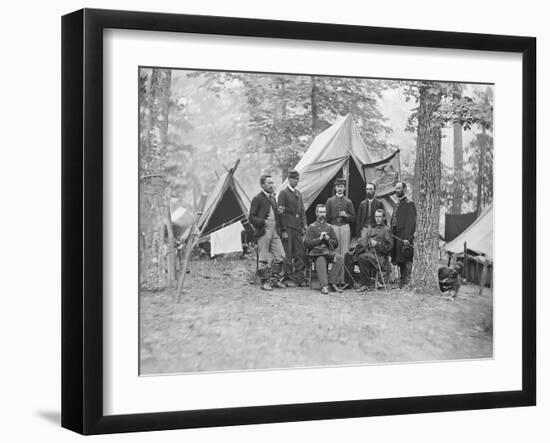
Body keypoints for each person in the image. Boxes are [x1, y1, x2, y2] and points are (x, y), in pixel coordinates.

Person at [248, 174, 286, 291]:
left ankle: (274, 280)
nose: (271, 185)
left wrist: (278, 214)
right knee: (263, 257)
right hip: (264, 231)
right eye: (269, 183)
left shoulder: (273, 198)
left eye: (272, 183)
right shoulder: (257, 199)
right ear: (262, 185)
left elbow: (274, 215)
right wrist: (263, 222)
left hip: (274, 231)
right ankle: (264, 282)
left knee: (281, 255)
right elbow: (251, 217)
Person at [304, 204, 344, 294]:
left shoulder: (329, 227)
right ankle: (324, 286)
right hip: (316, 253)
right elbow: (307, 243)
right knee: (321, 258)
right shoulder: (311, 227)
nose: (322, 214)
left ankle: (332, 283)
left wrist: (328, 239)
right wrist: (320, 239)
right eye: (320, 212)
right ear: (316, 213)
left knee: (339, 258)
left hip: (327, 251)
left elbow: (336, 244)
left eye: (324, 212)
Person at [277, 169, 307, 287]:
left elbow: (302, 210)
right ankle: (287, 277)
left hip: (297, 227)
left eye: (298, 179)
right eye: (294, 179)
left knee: (300, 252)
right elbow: (281, 213)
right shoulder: (283, 193)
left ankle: (299, 277)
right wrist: (283, 230)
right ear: (289, 179)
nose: (296, 181)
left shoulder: (298, 193)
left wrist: (304, 224)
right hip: (288, 226)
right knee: (288, 253)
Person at [325, 178, 355, 288]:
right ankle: (334, 280)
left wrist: (346, 215)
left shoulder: (348, 202)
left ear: (344, 188)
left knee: (344, 253)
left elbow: (353, 218)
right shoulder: (330, 201)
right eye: (338, 186)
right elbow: (326, 218)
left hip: (345, 228)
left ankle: (343, 280)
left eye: (341, 186)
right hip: (333, 227)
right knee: (335, 253)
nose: (339, 189)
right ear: (335, 187)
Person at [355, 209, 393, 292]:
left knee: (362, 258)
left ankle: (365, 284)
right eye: (376, 217)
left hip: (381, 259)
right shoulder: (374, 229)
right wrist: (369, 244)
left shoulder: (386, 230)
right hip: (372, 256)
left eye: (379, 217)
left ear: (383, 218)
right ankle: (363, 282)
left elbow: (389, 248)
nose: (378, 219)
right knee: (355, 255)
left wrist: (377, 244)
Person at [390, 181, 416, 288]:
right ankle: (401, 282)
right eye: (396, 188)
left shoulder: (410, 204)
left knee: (406, 258)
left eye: (399, 188)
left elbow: (411, 223)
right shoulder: (397, 203)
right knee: (399, 260)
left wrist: (407, 238)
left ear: (404, 189)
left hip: (404, 236)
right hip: (396, 236)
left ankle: (406, 282)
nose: (397, 190)